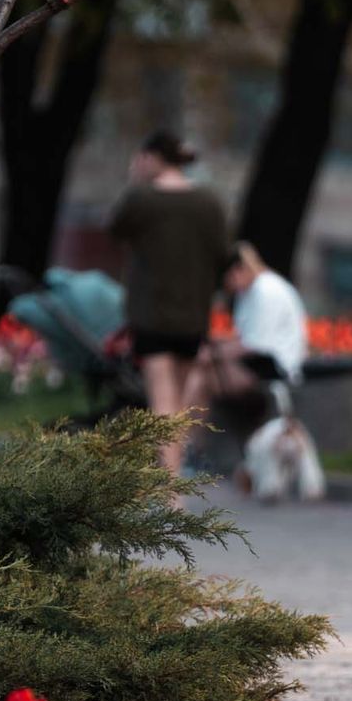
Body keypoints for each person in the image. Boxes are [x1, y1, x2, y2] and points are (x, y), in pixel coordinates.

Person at [109, 131, 234, 476]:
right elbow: (223, 255)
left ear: (150, 158)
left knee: (163, 402)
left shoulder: (143, 199)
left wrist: (134, 182)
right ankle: (175, 478)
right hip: (193, 317)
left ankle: (169, 490)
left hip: (151, 316)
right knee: (178, 401)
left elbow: (115, 229)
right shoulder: (209, 203)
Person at [185, 242, 309, 414]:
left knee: (201, 378)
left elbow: (255, 344)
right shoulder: (251, 290)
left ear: (237, 270)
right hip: (260, 365)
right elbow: (245, 336)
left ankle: (185, 436)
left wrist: (212, 354)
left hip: (275, 371)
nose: (228, 286)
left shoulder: (265, 290)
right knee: (199, 373)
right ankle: (186, 435)